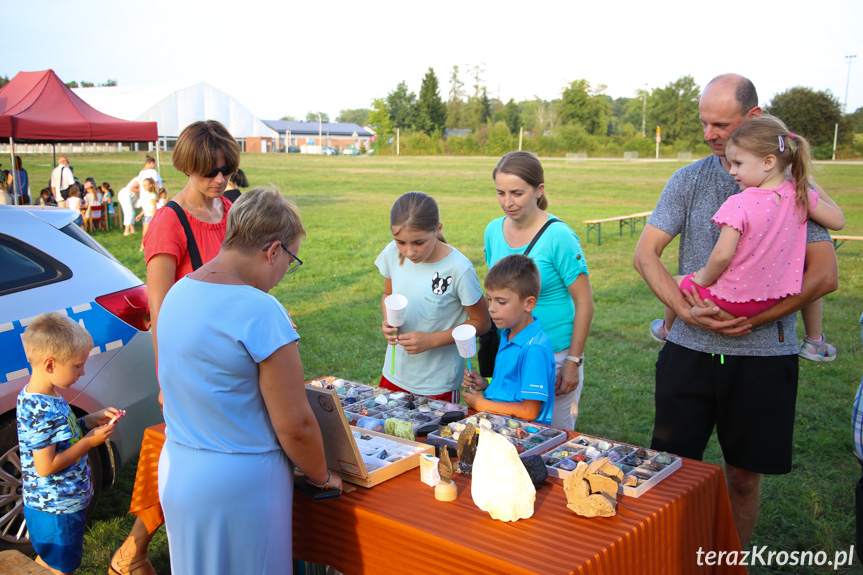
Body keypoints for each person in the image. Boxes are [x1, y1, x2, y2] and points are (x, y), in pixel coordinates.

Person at [633, 73, 838, 547]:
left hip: (764, 359)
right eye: (704, 122)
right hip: (689, 352)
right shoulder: (689, 178)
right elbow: (647, 255)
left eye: (721, 124)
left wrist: (756, 320)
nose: (709, 134)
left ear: (753, 118)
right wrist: (681, 310)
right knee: (671, 470)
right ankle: (669, 554)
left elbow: (824, 276)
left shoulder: (793, 188)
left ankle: (729, 560)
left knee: (744, 477)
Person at [157, 187, 342, 574]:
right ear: (273, 250)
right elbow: (295, 425)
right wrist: (322, 476)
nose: (283, 275)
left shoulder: (178, 291)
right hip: (242, 484)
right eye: (290, 260)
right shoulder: (260, 309)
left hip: (180, 468)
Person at [110, 119, 240, 575]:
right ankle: (134, 551)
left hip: (237, 360)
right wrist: (169, 377)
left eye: (228, 170)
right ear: (187, 166)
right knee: (188, 464)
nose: (221, 180)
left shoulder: (233, 209)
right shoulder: (169, 222)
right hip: (193, 366)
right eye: (211, 172)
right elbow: (161, 312)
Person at [651, 116, 845, 348]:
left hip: (733, 299)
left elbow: (722, 255)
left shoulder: (738, 203)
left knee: (674, 283)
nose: (732, 171)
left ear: (768, 162)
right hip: (775, 299)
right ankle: (815, 344)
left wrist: (703, 277)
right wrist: (808, 184)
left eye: (738, 164)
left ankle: (667, 330)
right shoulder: (799, 196)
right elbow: (838, 221)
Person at [485, 151, 594, 430]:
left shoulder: (559, 236)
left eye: (517, 193)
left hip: (553, 354)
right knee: (507, 429)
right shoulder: (493, 230)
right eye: (500, 193)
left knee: (551, 436)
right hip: (511, 349)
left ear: (538, 191)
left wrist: (572, 361)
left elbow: (584, 302)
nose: (507, 202)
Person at [17, 312, 121, 574]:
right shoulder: (41, 409)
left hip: (57, 504)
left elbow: (59, 438)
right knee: (61, 567)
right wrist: (89, 442)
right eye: (77, 366)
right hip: (56, 509)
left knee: (50, 561)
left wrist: (87, 422)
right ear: (50, 364)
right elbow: (46, 466)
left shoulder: (44, 395)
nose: (83, 372)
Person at [377, 191, 489, 402]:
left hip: (438, 383)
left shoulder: (459, 269)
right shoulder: (393, 253)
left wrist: (432, 340)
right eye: (401, 242)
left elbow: (482, 322)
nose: (409, 252)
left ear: (438, 229)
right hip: (394, 374)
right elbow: (388, 294)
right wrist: (388, 321)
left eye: (419, 242)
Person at [462, 255, 555, 425]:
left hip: (520, 436)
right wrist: (485, 383)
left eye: (501, 302)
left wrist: (482, 404)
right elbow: (512, 387)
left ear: (529, 304)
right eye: (489, 299)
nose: (491, 308)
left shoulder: (534, 348)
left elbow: (530, 411)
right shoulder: (508, 333)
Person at [136, 178, 158, 251]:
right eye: (143, 185)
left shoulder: (152, 195)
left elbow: (154, 207)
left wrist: (152, 217)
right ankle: (145, 246)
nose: (144, 187)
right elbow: (146, 207)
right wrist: (140, 214)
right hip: (146, 215)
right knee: (145, 232)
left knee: (145, 233)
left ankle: (142, 247)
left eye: (145, 185)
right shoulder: (147, 194)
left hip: (150, 216)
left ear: (150, 185)